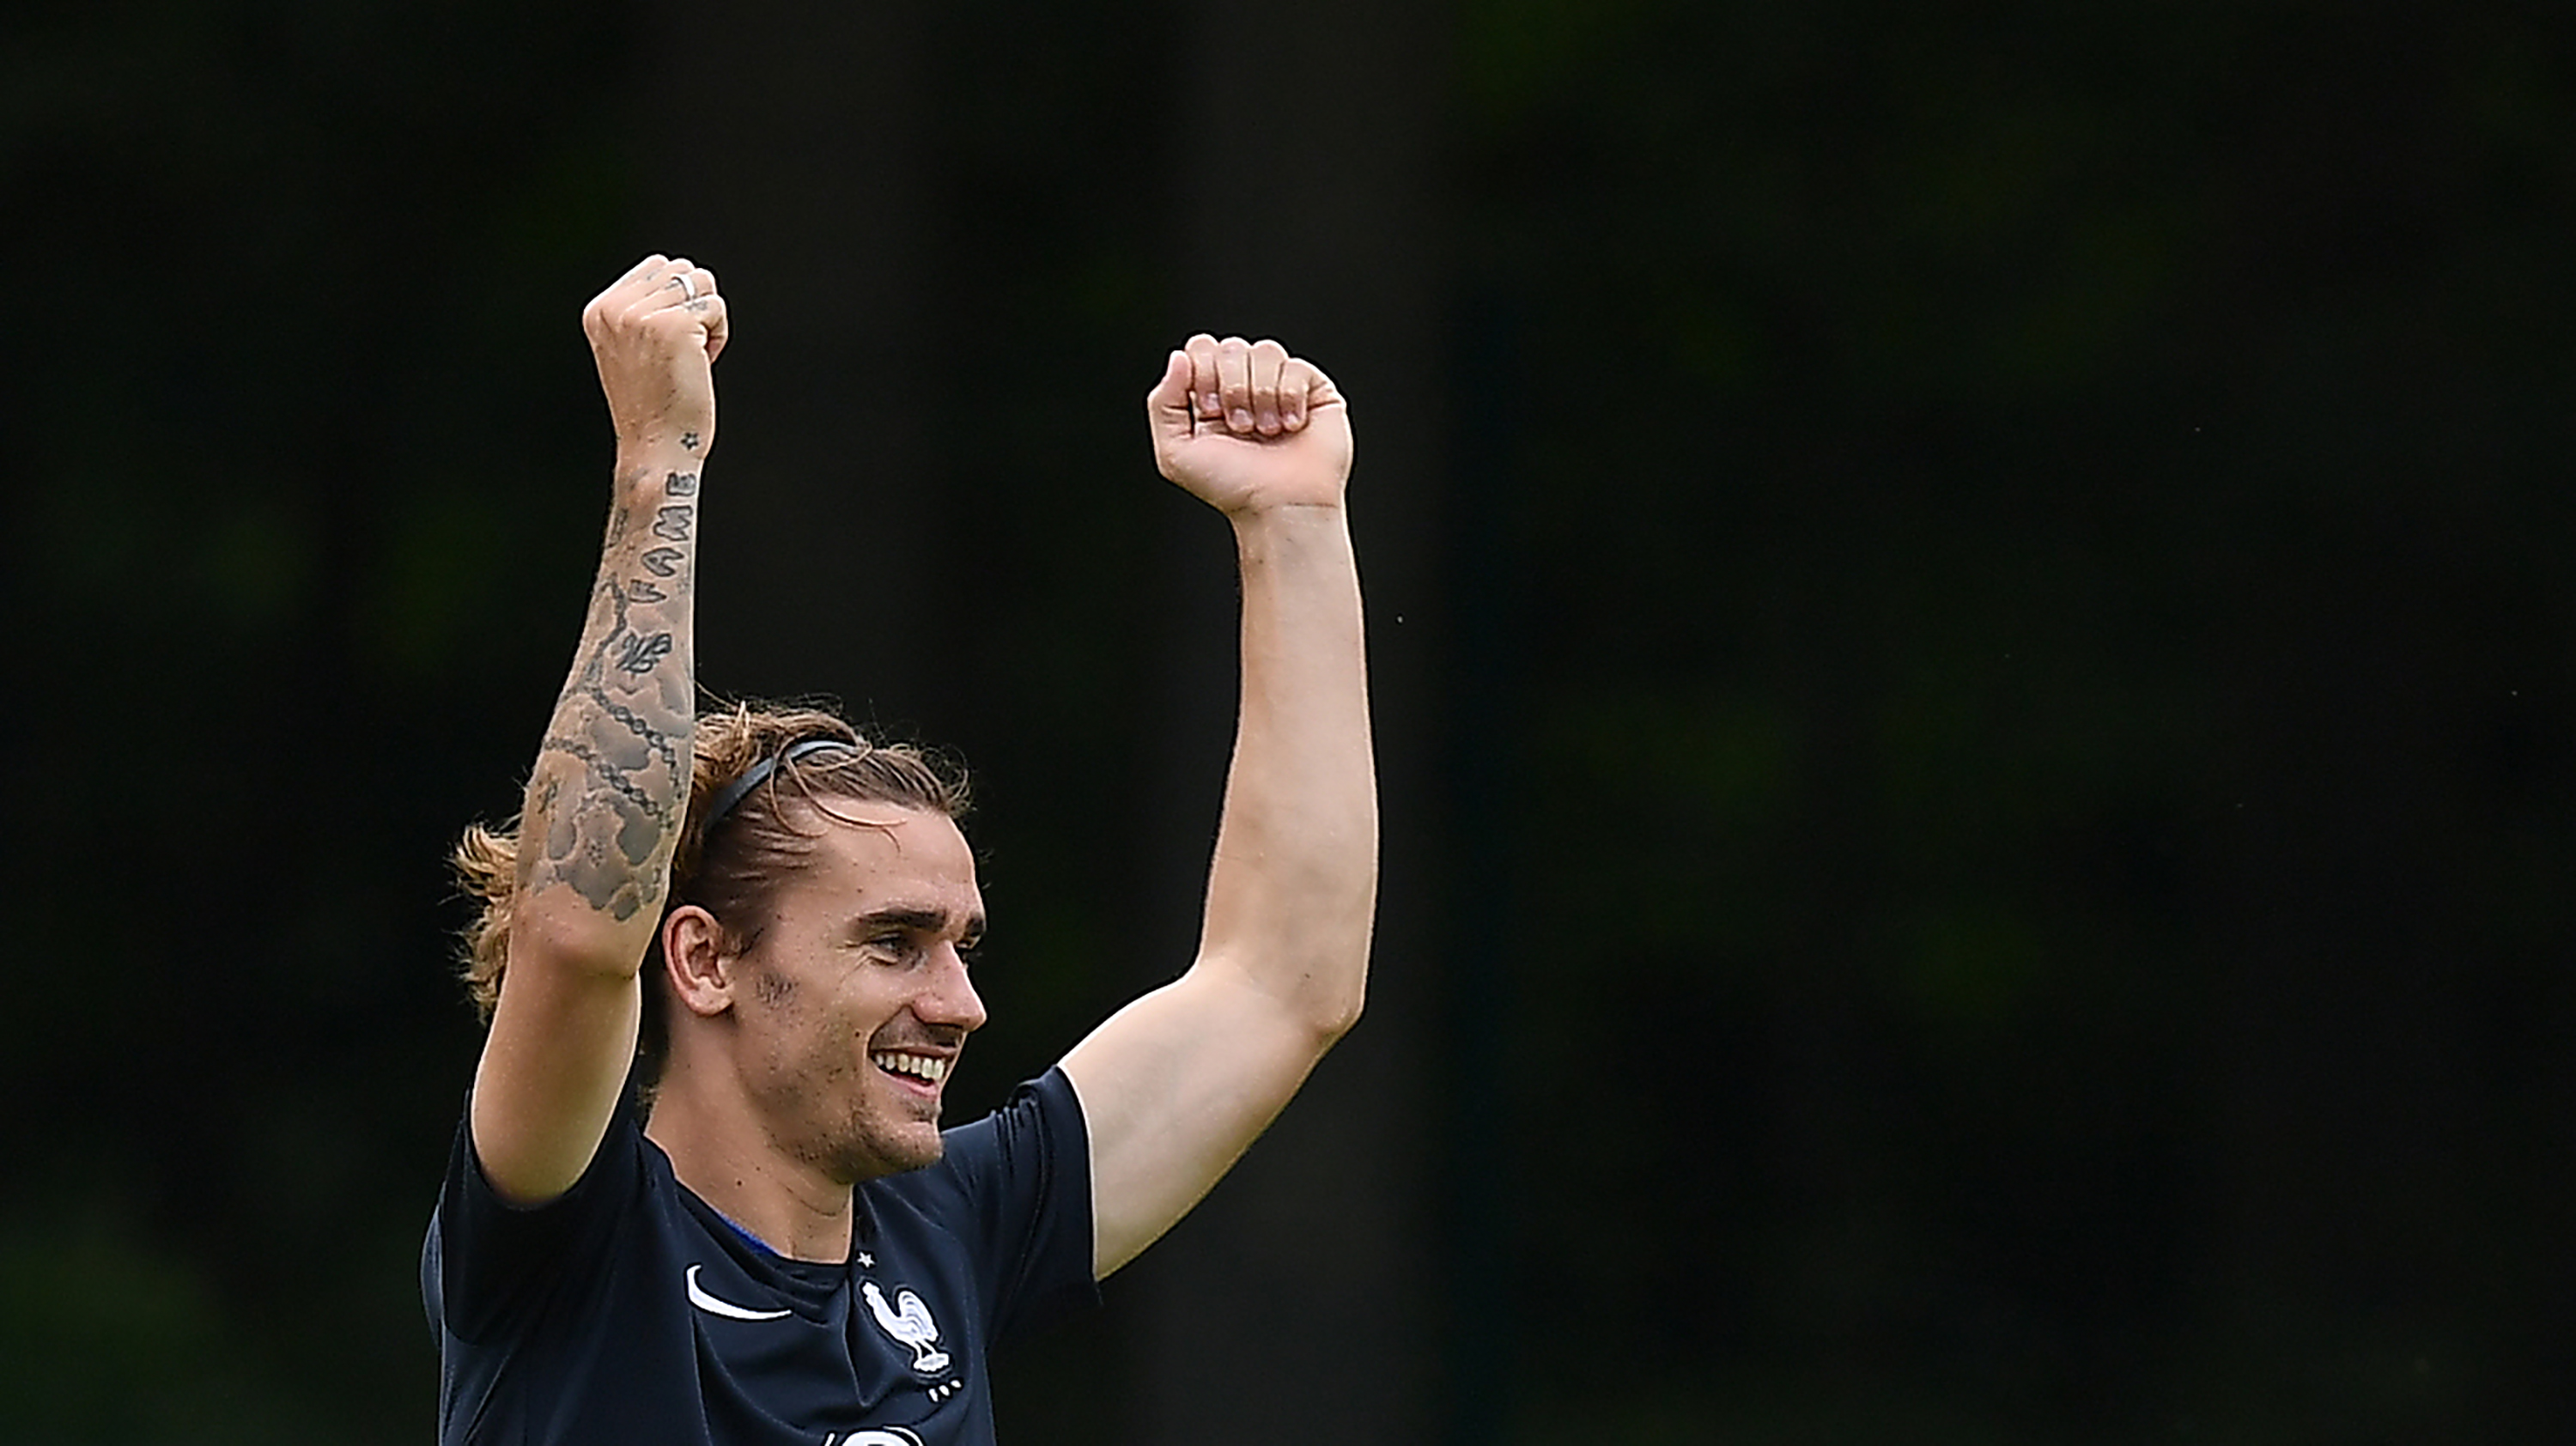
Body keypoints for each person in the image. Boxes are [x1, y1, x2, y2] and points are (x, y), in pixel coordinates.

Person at [422, 253, 1375, 1445]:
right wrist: (659, 460)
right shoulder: (568, 1236)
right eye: (894, 942)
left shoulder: (953, 1229)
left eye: (959, 945)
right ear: (705, 960)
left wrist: (1293, 522)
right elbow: (575, 932)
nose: (962, 1002)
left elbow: (1287, 980)